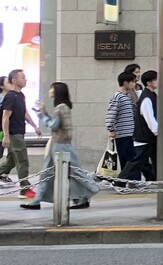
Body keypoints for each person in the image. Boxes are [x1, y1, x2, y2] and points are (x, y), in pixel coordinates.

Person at [21, 82, 100, 211]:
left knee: (68, 172)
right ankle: (39, 200)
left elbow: (54, 126)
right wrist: (44, 113)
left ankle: (87, 193)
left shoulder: (60, 107)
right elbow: (56, 123)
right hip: (60, 144)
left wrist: (42, 116)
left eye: (51, 88)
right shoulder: (63, 107)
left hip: (60, 146)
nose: (50, 91)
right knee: (53, 172)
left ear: (57, 91)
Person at [0, 68, 38, 196]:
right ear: (14, 80)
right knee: (22, 160)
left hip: (19, 132)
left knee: (10, 162)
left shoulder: (20, 95)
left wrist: (35, 126)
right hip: (14, 134)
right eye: (22, 77)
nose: (25, 80)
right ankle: (25, 189)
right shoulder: (10, 97)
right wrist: (6, 136)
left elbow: (24, 113)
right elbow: (5, 117)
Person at [120, 70, 158, 183]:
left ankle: (156, 180)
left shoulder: (152, 95)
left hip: (149, 137)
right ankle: (119, 181)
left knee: (154, 160)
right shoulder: (146, 98)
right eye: (156, 79)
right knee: (137, 161)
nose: (158, 81)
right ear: (149, 82)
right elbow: (149, 118)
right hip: (145, 136)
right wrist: (157, 132)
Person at [105, 69, 137, 174]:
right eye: (132, 82)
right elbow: (111, 113)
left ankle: (129, 180)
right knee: (121, 160)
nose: (134, 84)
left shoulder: (128, 96)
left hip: (129, 134)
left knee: (131, 160)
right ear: (125, 82)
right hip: (121, 135)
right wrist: (111, 129)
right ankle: (120, 180)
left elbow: (134, 110)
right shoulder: (117, 97)